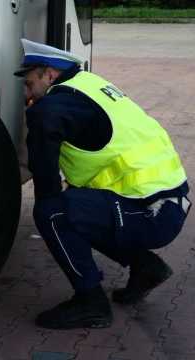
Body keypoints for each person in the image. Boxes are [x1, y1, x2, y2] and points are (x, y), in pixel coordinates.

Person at [14, 39, 191, 330]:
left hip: (151, 211)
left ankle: (90, 302)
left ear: (49, 74)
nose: (26, 92)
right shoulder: (88, 83)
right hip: (166, 200)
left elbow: (45, 180)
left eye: (29, 82)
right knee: (78, 206)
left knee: (52, 213)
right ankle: (145, 267)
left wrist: (57, 208)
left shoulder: (50, 109)